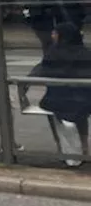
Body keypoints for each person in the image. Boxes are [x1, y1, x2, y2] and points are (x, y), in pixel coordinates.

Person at [31, 22, 91, 166]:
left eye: (55, 33)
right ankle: (84, 146)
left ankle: (61, 146)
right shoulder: (86, 53)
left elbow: (40, 72)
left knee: (51, 110)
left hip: (57, 100)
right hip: (84, 101)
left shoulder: (52, 53)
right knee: (81, 114)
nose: (52, 35)